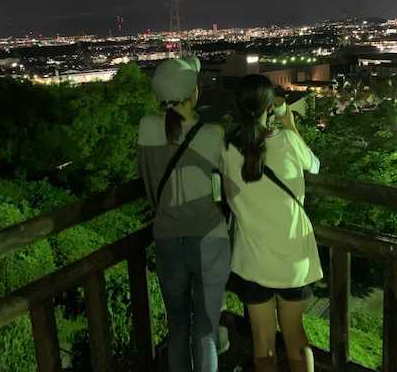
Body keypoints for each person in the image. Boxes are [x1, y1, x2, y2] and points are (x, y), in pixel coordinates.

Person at [221, 74, 322, 372]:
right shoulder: (287, 141)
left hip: (253, 259)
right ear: (269, 107)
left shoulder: (227, 149)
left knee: (262, 340)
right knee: (295, 334)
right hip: (292, 257)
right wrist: (290, 124)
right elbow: (315, 165)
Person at [138, 57, 231, 372]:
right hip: (209, 237)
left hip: (167, 235)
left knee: (177, 326)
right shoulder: (213, 133)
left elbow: (148, 181)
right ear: (193, 92)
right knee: (205, 330)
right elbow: (225, 186)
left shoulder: (147, 128)